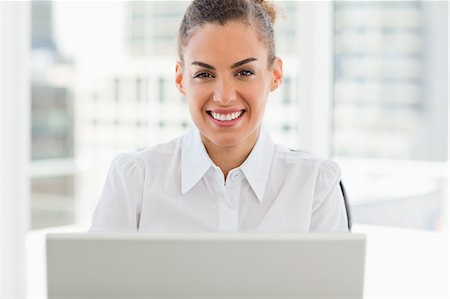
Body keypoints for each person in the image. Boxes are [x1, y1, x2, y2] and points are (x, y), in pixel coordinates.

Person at [90, 0, 349, 232]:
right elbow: (94, 284)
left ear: (275, 74)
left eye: (244, 72)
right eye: (205, 74)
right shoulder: (135, 178)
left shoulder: (315, 184)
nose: (224, 96)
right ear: (181, 80)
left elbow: (331, 286)